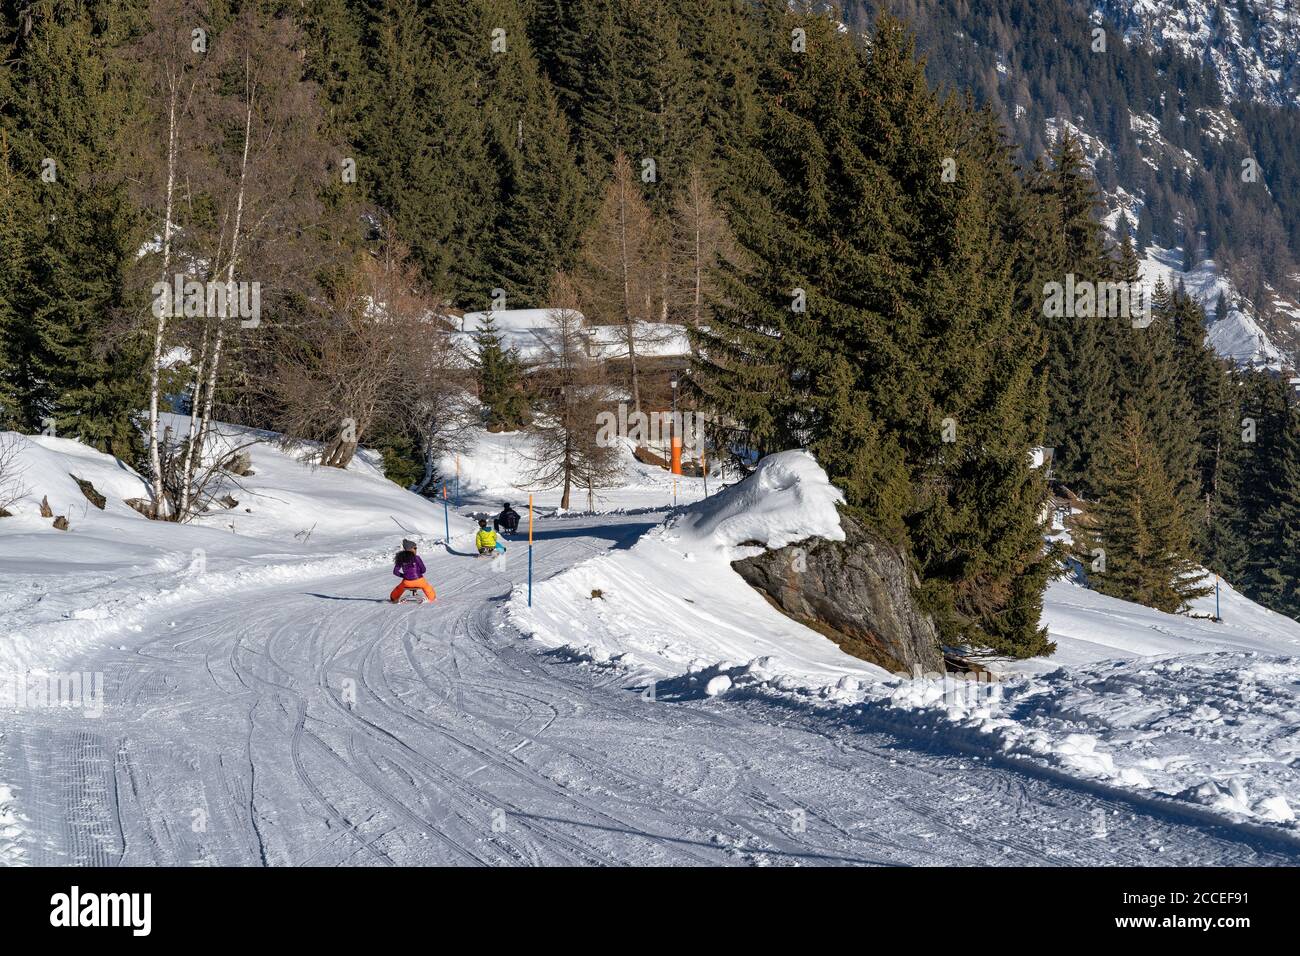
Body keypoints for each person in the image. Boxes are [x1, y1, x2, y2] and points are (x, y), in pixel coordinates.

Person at [390, 539, 436, 603]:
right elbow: (423, 570)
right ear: (411, 549)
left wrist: (405, 576)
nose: (416, 549)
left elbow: (395, 572)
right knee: (426, 586)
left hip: (407, 583)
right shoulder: (417, 558)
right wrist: (418, 573)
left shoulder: (401, 558)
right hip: (419, 581)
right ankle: (432, 598)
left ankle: (394, 598)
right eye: (415, 548)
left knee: (399, 588)